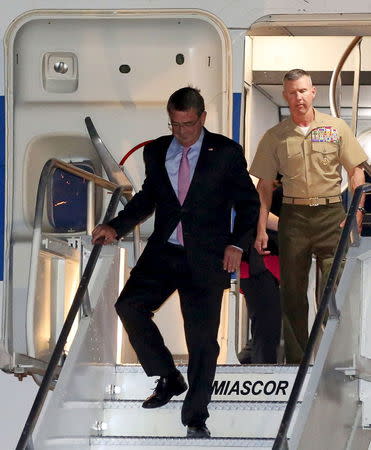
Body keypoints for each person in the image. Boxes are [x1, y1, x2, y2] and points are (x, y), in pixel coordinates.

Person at [92, 87, 260, 438]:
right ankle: (168, 375)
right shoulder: (156, 151)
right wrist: (115, 227)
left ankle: (196, 416)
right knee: (129, 305)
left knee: (201, 340)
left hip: (208, 255)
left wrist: (237, 245)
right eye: (174, 124)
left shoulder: (226, 152)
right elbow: (147, 198)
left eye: (187, 124)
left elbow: (248, 204)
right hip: (165, 249)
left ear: (202, 118)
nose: (181, 132)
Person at [250, 69, 368, 364]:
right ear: (285, 96)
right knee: (292, 296)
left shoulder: (336, 127)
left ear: (313, 92)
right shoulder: (275, 136)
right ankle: (297, 363)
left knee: (332, 293)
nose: (298, 98)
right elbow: (264, 185)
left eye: (302, 91)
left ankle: (334, 363)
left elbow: (356, 171)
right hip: (294, 217)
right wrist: (262, 226)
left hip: (331, 215)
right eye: (292, 93)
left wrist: (356, 211)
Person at [238, 181, 282, 364]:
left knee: (264, 327)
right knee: (266, 328)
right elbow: (256, 211)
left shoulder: (272, 191)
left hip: (261, 264)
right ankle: (261, 372)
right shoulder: (270, 193)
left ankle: (249, 363)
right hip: (260, 264)